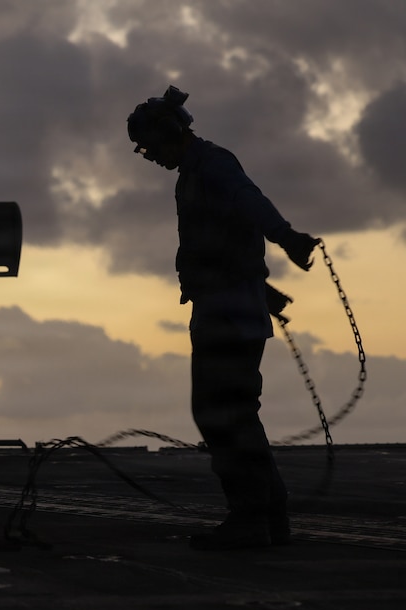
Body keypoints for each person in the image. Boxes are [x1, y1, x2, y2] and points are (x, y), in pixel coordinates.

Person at [127, 86, 320, 550]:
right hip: (231, 304)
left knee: (222, 415)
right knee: (234, 414)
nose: (150, 156)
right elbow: (230, 237)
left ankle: (252, 519)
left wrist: (288, 238)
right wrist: (262, 289)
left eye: (151, 146)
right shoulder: (194, 172)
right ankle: (268, 516)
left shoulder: (213, 166)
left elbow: (252, 204)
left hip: (226, 313)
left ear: (170, 132)